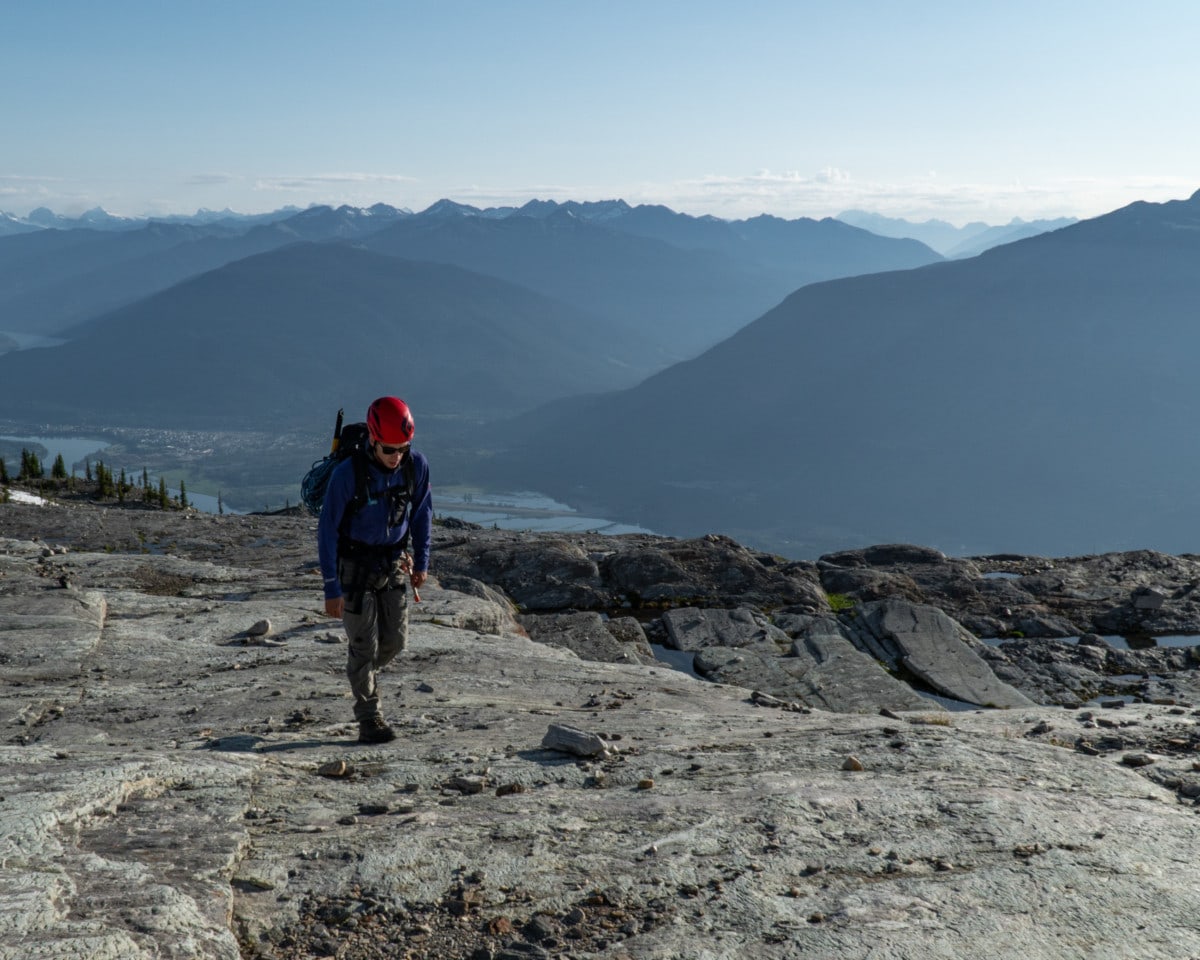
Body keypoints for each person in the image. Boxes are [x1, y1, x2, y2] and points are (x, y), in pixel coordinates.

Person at [317, 396, 432, 743]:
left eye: (402, 448)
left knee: (395, 642)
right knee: (364, 644)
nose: (396, 457)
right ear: (372, 439)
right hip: (353, 569)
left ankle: (360, 671)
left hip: (393, 563)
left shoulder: (416, 466)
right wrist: (330, 586)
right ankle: (370, 718)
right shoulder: (347, 474)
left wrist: (422, 561)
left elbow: (422, 513)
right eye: (389, 450)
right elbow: (327, 530)